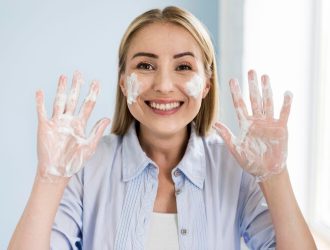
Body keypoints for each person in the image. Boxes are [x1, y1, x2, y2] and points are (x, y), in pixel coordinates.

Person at [8, 6, 316, 250]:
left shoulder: (236, 169)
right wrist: (49, 178)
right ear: (122, 80)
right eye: (145, 66)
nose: (164, 85)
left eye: (183, 67)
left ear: (207, 84)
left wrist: (275, 177)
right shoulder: (85, 166)